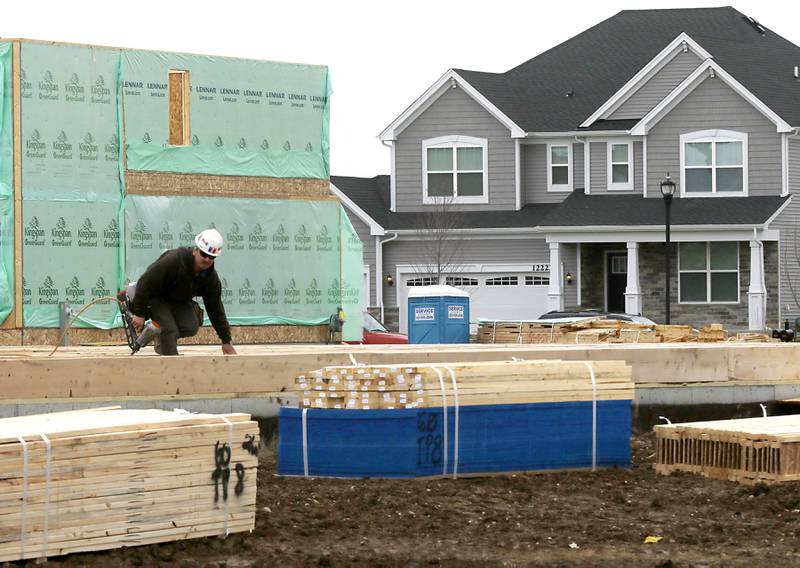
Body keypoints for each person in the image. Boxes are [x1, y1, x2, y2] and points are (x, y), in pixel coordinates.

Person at [130, 228, 237, 356]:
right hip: (156, 298)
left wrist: (226, 341)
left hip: (177, 301)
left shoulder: (210, 278)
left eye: (212, 257)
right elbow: (145, 281)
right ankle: (173, 370)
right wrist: (139, 313)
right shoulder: (174, 260)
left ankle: (161, 338)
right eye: (204, 254)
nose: (207, 260)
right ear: (195, 250)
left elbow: (215, 308)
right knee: (169, 330)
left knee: (191, 326)